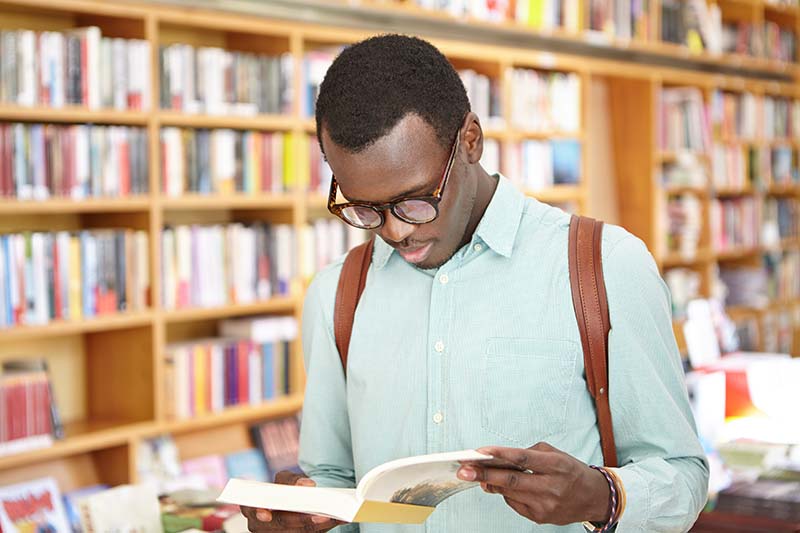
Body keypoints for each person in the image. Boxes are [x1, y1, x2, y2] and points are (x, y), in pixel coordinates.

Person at [241, 34, 709, 532]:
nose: (397, 231)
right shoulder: (336, 296)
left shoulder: (605, 267)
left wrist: (602, 497)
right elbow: (334, 481)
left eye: (416, 199)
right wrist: (303, 514)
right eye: (364, 208)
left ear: (470, 141)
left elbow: (683, 476)